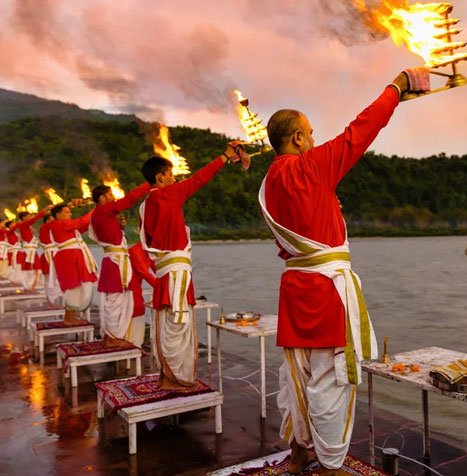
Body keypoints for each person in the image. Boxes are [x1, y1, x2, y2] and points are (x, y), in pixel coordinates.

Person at [258, 68, 430, 474]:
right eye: (311, 133)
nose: (315, 140)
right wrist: (397, 87)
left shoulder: (267, 183)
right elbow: (361, 130)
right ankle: (333, 465)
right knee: (332, 380)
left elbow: (291, 240)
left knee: (297, 375)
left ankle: (300, 452)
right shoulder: (311, 167)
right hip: (325, 294)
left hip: (294, 289)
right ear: (298, 138)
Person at [139, 141, 248, 390]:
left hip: (167, 273)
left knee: (168, 325)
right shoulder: (167, 195)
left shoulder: (145, 204)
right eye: (170, 174)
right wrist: (224, 157)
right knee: (178, 324)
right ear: (160, 177)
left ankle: (168, 376)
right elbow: (199, 179)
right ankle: (175, 379)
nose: (175, 177)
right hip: (176, 274)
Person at [89, 182, 150, 347]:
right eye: (110, 195)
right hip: (115, 262)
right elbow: (129, 199)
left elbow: (111, 235)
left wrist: (119, 227)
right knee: (115, 301)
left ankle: (111, 336)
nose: (113, 198)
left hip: (114, 260)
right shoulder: (102, 210)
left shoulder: (101, 213)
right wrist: (148, 185)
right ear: (102, 198)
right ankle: (112, 338)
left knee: (115, 300)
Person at [50, 200, 96, 324]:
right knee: (72, 286)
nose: (70, 214)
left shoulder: (66, 226)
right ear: (58, 215)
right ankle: (69, 317)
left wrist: (95, 214)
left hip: (72, 257)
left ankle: (71, 315)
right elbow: (83, 221)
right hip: (68, 258)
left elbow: (84, 225)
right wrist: (97, 209)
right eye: (66, 212)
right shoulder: (58, 224)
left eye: (70, 212)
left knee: (77, 286)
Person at [38, 213, 62, 304]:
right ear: (47, 221)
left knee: (58, 278)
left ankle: (55, 298)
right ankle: (51, 299)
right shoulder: (44, 227)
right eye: (52, 219)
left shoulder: (52, 228)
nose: (54, 221)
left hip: (56, 254)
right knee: (49, 278)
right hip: (49, 255)